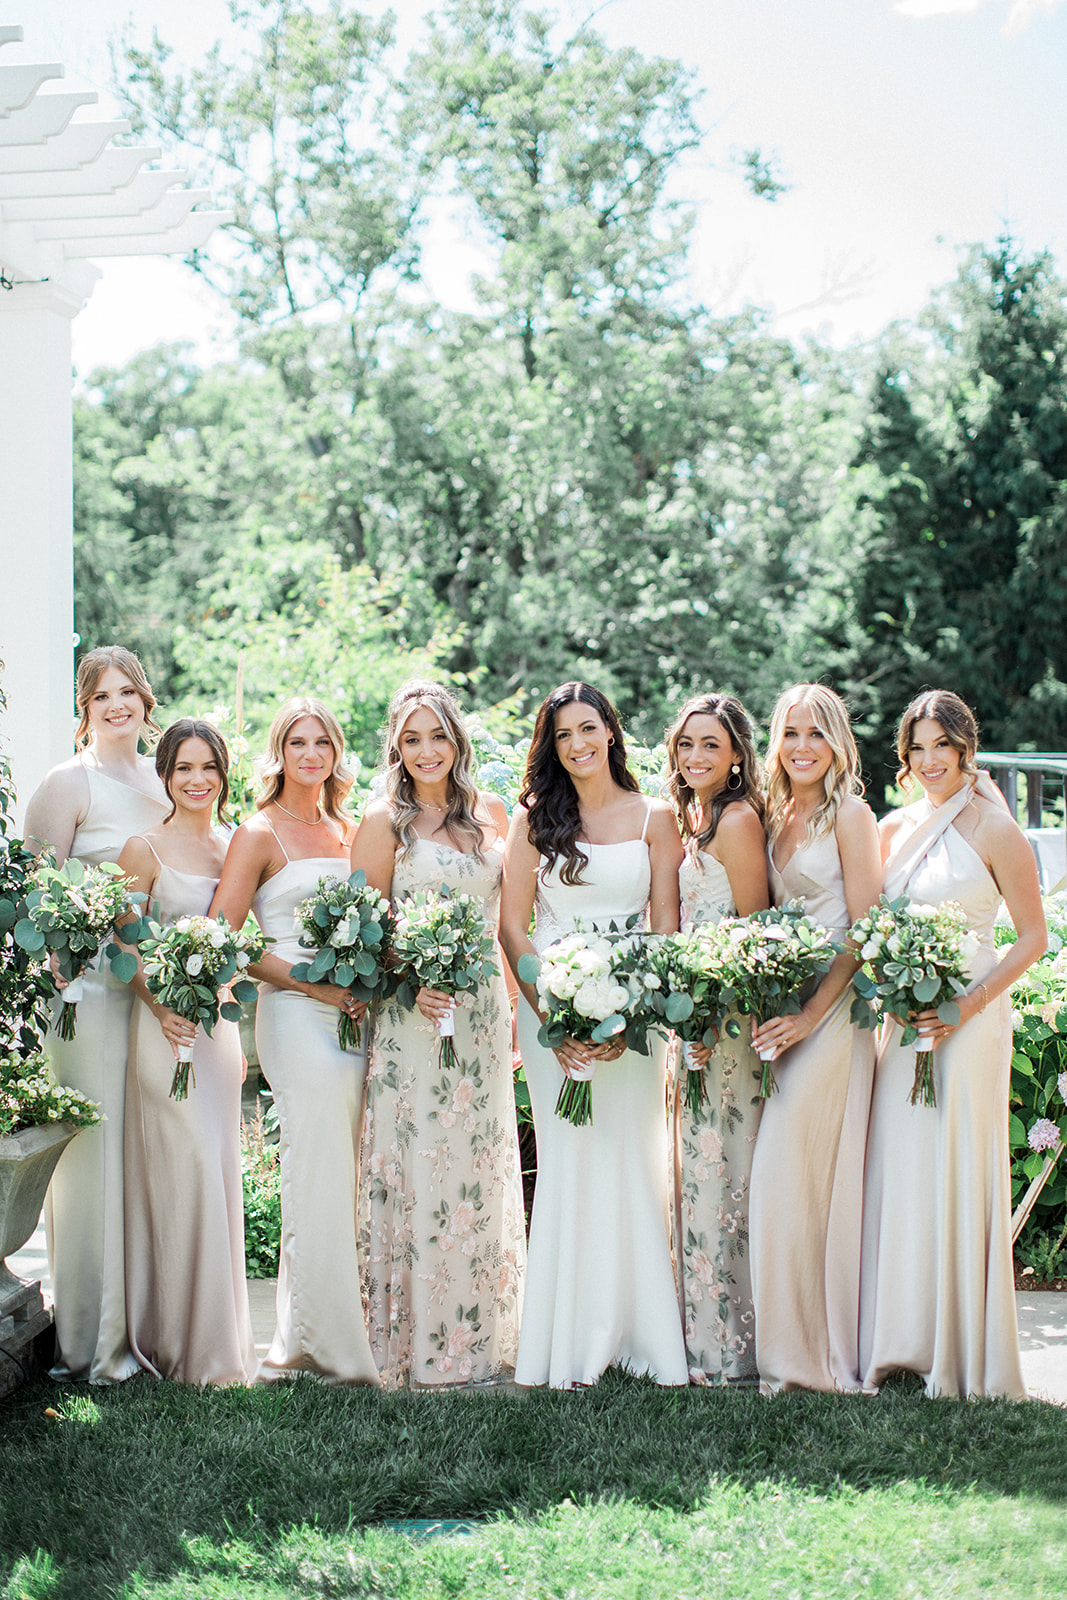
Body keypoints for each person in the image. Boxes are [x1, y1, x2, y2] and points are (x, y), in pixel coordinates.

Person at [500, 681, 688, 1390]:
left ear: (610, 730)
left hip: (634, 1017)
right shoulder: (533, 820)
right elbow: (512, 927)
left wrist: (635, 1011)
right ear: (550, 748)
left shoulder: (656, 818)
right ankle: (565, 1341)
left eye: (587, 728)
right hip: (552, 1011)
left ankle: (639, 1336)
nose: (576, 744)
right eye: (561, 735)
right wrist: (552, 1015)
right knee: (571, 1162)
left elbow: (665, 924)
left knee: (630, 1161)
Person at [860, 691, 1045, 1400]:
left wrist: (962, 1006)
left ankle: (960, 1347)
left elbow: (1031, 938)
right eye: (917, 747)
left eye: (942, 744)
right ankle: (898, 1339)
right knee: (901, 1163)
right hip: (903, 1020)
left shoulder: (994, 827)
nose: (929, 759)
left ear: (965, 747)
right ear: (903, 757)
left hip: (970, 1019)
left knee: (955, 1161)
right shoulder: (890, 828)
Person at [351, 681, 526, 1387]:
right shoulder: (380, 823)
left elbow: (507, 923)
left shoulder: (491, 815)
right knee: (418, 1160)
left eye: (438, 736)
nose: (426, 751)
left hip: (480, 1012)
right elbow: (362, 934)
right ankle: (414, 1340)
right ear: (395, 744)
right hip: (412, 1015)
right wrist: (407, 974)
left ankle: (481, 1335)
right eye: (412, 737)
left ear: (457, 741)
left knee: (476, 1164)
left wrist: (514, 1010)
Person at [210, 697, 378, 1384]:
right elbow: (226, 936)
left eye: (322, 743)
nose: (310, 755)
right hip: (292, 1012)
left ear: (337, 752)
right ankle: (319, 1346)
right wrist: (317, 987)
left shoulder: (350, 831)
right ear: (278, 753)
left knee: (346, 1166)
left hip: (353, 1016)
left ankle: (321, 1326)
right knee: (316, 1163)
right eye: (297, 743)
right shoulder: (258, 832)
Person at [24, 645, 168, 1382]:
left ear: (146, 699)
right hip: (84, 992)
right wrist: (68, 940)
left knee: (144, 1156)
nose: (117, 704)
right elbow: (34, 892)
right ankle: (89, 1340)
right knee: (91, 1155)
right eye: (100, 695)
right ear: (84, 708)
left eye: (128, 691)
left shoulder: (162, 780)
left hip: (153, 992)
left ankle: (144, 1325)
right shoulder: (66, 782)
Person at [747, 683, 881, 1393]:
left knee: (791, 1178)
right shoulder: (775, 812)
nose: (801, 747)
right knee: (788, 1186)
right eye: (790, 733)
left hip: (833, 1015)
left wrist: (809, 1017)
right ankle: (788, 1347)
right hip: (784, 1012)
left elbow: (862, 929)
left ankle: (814, 1358)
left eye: (815, 734)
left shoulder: (850, 815)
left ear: (836, 743)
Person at [116, 720, 255, 1386]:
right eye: (183, 769)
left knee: (216, 1169)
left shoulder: (235, 846)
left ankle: (217, 1346)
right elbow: (121, 944)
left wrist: (216, 990)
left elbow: (237, 939)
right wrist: (158, 1004)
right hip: (161, 1028)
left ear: (223, 774)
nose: (197, 780)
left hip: (215, 1034)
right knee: (182, 1171)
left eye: (208, 768)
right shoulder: (142, 849)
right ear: (165, 777)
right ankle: (172, 1342)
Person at [663, 692, 769, 1385]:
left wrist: (712, 1009)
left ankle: (732, 1345)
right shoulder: (688, 819)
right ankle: (695, 1337)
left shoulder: (735, 821)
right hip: (692, 1018)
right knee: (695, 1172)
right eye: (686, 744)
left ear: (735, 756)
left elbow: (756, 929)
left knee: (727, 1171)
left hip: (729, 1022)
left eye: (711, 745)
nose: (696, 756)